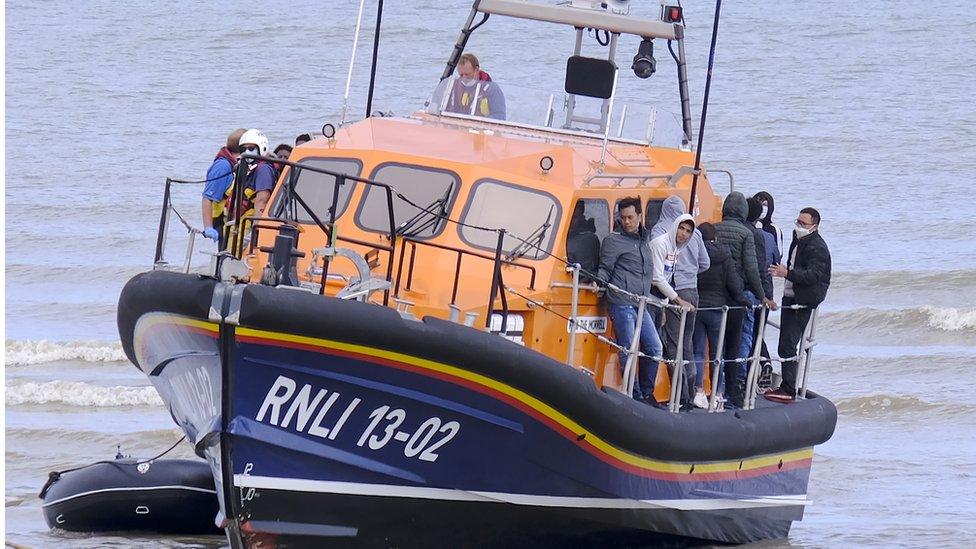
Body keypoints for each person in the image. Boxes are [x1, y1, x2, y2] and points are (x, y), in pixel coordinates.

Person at [713, 192, 776, 407]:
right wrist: (763, 296)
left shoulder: (714, 228)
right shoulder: (747, 234)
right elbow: (753, 268)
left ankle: (716, 381)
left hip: (717, 293)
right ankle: (738, 380)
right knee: (743, 337)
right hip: (742, 293)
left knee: (717, 340)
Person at [596, 197, 662, 403]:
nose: (626, 221)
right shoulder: (613, 241)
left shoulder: (645, 240)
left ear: (640, 216)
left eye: (630, 217)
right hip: (622, 302)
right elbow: (605, 268)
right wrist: (599, 283)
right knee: (628, 349)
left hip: (642, 303)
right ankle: (634, 394)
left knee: (655, 347)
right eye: (623, 217)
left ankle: (647, 392)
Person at [766, 208, 831, 402]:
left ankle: (788, 389)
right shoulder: (798, 239)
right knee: (785, 343)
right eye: (798, 221)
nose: (799, 226)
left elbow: (815, 275)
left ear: (815, 226)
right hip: (791, 295)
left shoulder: (817, 247)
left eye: (803, 223)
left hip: (803, 300)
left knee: (788, 345)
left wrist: (788, 274)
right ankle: (787, 386)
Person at [650, 196, 709, 405]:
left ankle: (681, 396)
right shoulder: (697, 233)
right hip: (693, 291)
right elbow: (705, 263)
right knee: (688, 344)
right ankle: (692, 390)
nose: (683, 233)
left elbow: (657, 274)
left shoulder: (659, 232)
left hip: (674, 293)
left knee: (673, 345)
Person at [693, 222, 749, 408]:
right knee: (718, 354)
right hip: (718, 310)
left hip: (698, 308)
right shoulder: (725, 256)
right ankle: (717, 394)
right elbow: (734, 284)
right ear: (716, 237)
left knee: (698, 352)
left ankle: (698, 391)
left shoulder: (694, 253)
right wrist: (743, 300)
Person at [223, 129, 276, 246]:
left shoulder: (263, 170)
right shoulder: (247, 169)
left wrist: (256, 232)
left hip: (248, 227)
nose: (247, 152)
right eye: (243, 149)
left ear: (261, 147)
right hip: (238, 226)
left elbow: (262, 201)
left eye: (251, 148)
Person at [739, 197, 777, 360]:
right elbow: (770, 265)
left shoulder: (743, 232)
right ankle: (758, 366)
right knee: (754, 333)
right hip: (759, 291)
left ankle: (757, 366)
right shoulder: (767, 236)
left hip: (743, 291)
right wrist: (767, 296)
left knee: (745, 335)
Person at [201, 128, 246, 244]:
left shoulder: (235, 164)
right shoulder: (223, 166)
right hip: (221, 221)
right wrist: (208, 227)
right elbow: (207, 197)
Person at [446, 53, 506, 120]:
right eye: (461, 75)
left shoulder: (492, 90)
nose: (464, 78)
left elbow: (500, 117)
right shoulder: (454, 87)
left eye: (467, 74)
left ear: (476, 70)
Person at [566, 202, 600, 281]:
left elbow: (585, 273)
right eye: (568, 217)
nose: (570, 221)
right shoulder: (553, 231)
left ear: (581, 217)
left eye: (574, 217)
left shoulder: (588, 240)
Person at [753, 190, 784, 258]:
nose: (761, 208)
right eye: (759, 204)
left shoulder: (774, 229)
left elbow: (779, 254)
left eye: (765, 205)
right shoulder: (746, 225)